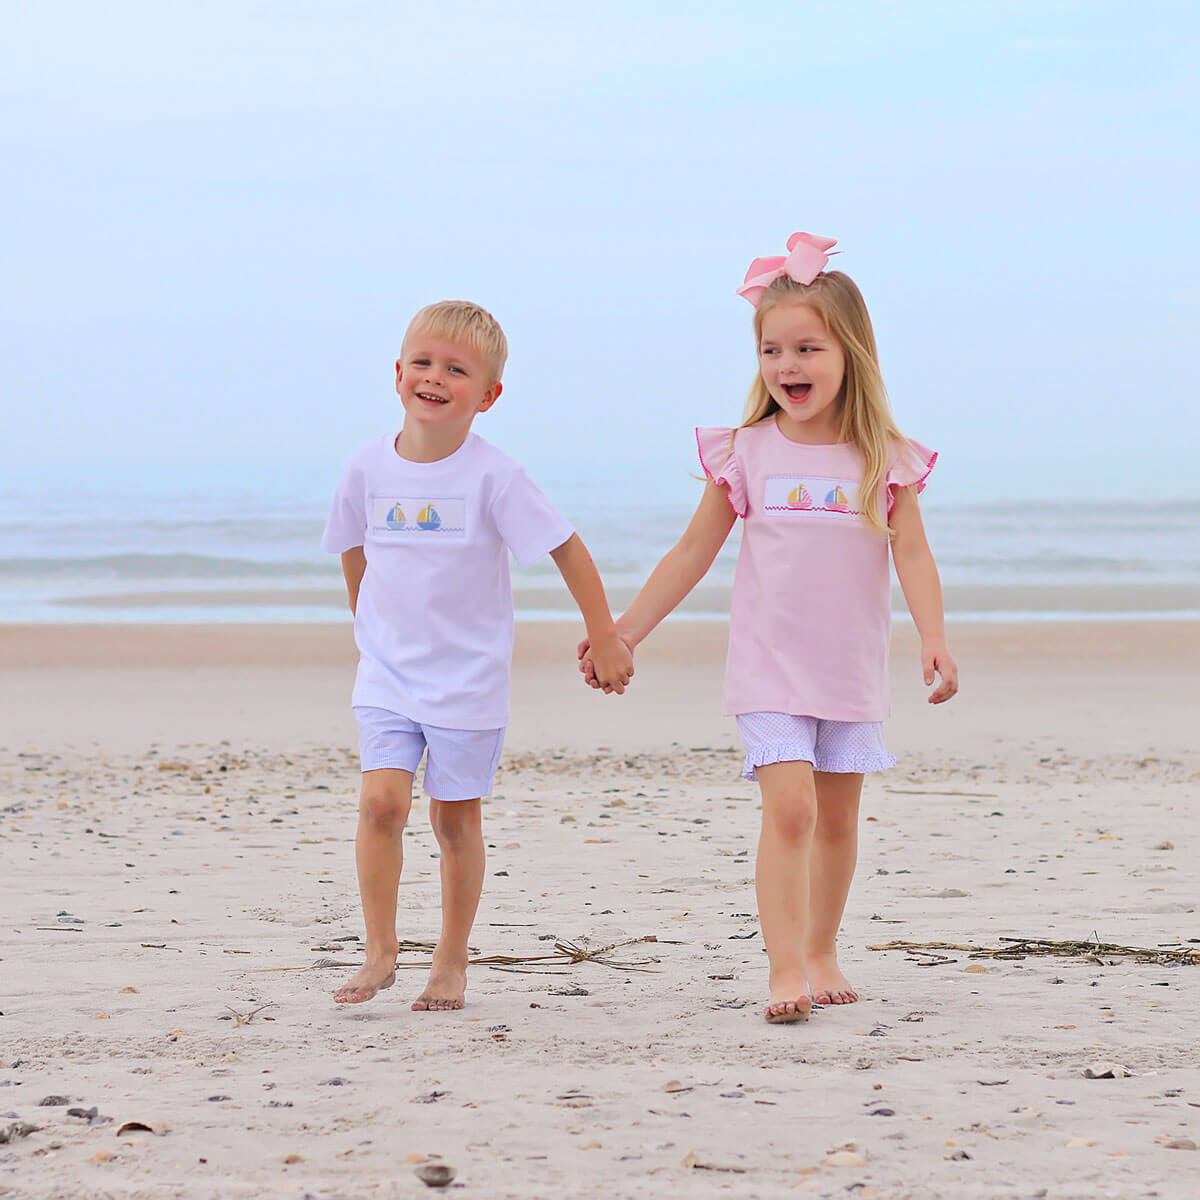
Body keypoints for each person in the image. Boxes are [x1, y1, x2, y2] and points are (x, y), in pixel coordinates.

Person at [580, 234, 958, 1023]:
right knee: (791, 811)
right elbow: (691, 553)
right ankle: (786, 969)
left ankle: (822, 947)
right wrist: (624, 631)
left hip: (849, 668)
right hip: (769, 665)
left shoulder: (883, 457)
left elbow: (914, 556)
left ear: (849, 352)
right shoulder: (746, 452)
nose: (788, 364)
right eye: (771, 348)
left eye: (807, 347)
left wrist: (934, 637)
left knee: (840, 819)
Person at [322, 299, 633, 1011]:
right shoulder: (365, 468)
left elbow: (566, 547)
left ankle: (451, 958)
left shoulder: (495, 477)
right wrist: (364, 624)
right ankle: (380, 950)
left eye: (456, 370)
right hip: (388, 674)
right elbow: (352, 548)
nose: (435, 378)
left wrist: (606, 633)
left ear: (488, 394)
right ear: (397, 373)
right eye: (423, 364)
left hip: (467, 681)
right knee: (380, 801)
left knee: (453, 820)